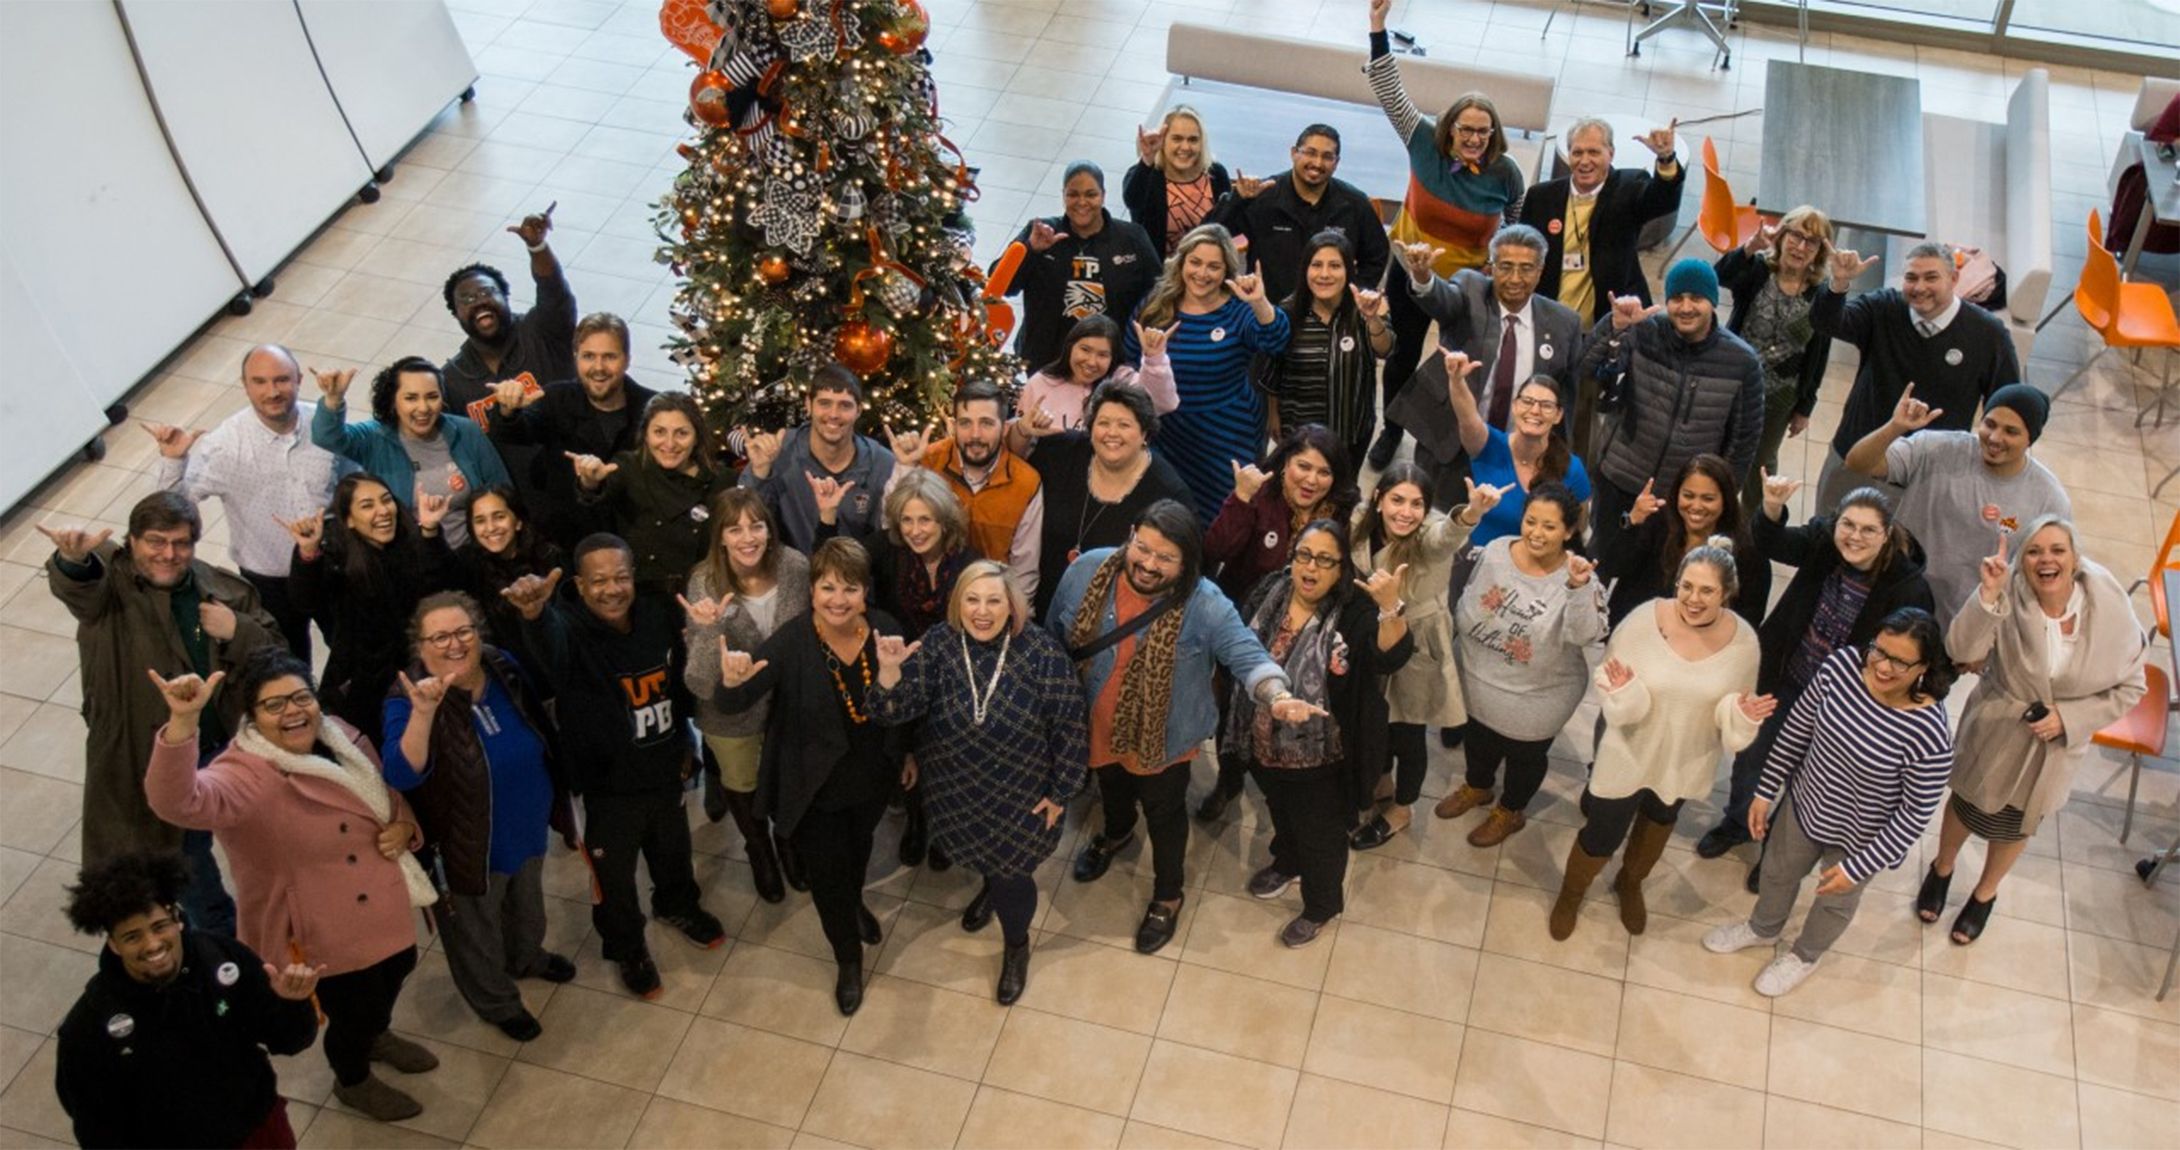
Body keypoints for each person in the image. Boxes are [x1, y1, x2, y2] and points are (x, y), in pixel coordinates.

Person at [144, 650, 440, 1122]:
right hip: (321, 923)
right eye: (274, 705)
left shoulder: (340, 734)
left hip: (383, 896)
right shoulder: (243, 774)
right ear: (252, 717)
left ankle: (377, 1033)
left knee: (399, 966)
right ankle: (354, 1078)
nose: (293, 711)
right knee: (354, 1009)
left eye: (301, 697)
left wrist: (403, 824)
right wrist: (183, 723)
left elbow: (384, 792)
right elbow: (177, 801)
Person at [1048, 500, 1315, 955]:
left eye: (1165, 557)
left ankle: (1168, 895)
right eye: (1143, 548)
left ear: (1187, 562)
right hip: (1091, 724)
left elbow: (1247, 655)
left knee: (1165, 815)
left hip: (1164, 740)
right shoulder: (1088, 570)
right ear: (1130, 535)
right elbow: (1053, 633)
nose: (1148, 564)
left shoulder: (1207, 604)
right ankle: (1116, 834)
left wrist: (1278, 696)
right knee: (1110, 787)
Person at [41, 493, 282, 935]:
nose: (168, 554)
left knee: (265, 845)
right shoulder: (110, 584)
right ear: (131, 541)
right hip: (152, 757)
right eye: (155, 541)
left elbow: (276, 658)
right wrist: (72, 559)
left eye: (181, 543)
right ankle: (220, 955)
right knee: (184, 870)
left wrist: (237, 630)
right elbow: (79, 587)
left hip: (224, 752)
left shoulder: (225, 591)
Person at [502, 535, 726, 1000]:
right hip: (604, 786)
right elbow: (550, 649)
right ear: (581, 586)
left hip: (662, 769)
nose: (612, 589)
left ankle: (677, 905)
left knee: (672, 849)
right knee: (615, 877)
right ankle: (627, 947)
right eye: (599, 581)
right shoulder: (566, 627)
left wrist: (685, 740)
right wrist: (534, 615)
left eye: (621, 577)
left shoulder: (656, 617)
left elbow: (678, 682)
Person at [1703, 610, 1956, 998]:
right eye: (1879, 651)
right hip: (1805, 805)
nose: (1883, 667)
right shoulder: (1839, 668)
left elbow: (1915, 814)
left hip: (1861, 836)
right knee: (1776, 872)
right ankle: (1762, 928)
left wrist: (1860, 866)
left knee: (1834, 902)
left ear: (1923, 667)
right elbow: (1796, 732)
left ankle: (1805, 955)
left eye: (1900, 662)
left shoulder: (1930, 732)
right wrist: (1765, 791)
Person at [869, 562, 1087, 1002]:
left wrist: (1061, 791)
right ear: (958, 603)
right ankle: (989, 887)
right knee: (987, 864)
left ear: (1012, 605)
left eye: (994, 600)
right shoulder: (939, 645)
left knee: (1013, 876)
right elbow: (892, 712)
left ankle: (1016, 946)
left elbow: (1071, 727)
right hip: (957, 792)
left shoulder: (1041, 653)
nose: (982, 611)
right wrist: (890, 672)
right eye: (972, 599)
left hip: (1022, 798)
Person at [1925, 519, 2148, 944]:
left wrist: (2070, 718)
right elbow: (1961, 651)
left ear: (2075, 558)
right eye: (2034, 551)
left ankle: (1984, 894)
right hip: (1997, 726)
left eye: (2058, 550)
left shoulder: (2108, 603)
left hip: (2056, 748)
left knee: (2019, 823)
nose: (2046, 559)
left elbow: (2133, 684)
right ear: (2022, 561)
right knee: (1967, 802)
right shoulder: (2007, 593)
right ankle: (1942, 868)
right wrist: (1987, 595)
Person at [1695, 482, 1937, 867]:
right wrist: (1772, 507)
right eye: (1848, 524)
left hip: (1843, 702)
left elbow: (1921, 649)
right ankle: (1738, 823)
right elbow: (1772, 542)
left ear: (1886, 533)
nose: (1854, 536)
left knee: (1805, 777)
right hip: (1788, 676)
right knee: (1752, 755)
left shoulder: (1907, 588)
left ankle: (1775, 849)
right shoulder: (1824, 542)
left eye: (1868, 529)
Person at [712, 538, 907, 1015]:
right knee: (825, 877)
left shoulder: (884, 629)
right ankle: (848, 959)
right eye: (828, 587)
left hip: (870, 778)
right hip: (813, 787)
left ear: (866, 593)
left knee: (858, 851)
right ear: (812, 591)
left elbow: (906, 706)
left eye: (850, 588)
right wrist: (731, 682)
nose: (838, 599)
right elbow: (735, 701)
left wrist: (904, 751)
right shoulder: (793, 640)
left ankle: (854, 902)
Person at [1552, 540, 1770, 940]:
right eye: (1687, 586)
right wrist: (1626, 692)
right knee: (1602, 832)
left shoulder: (1744, 643)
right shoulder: (1643, 620)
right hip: (1628, 752)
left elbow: (1729, 712)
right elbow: (1607, 679)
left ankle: (1630, 882)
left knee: (1659, 822)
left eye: (1707, 590)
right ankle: (1571, 892)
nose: (1693, 598)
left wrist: (1741, 715)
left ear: (1726, 593)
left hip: (1683, 759)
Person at [381, 593, 573, 1042]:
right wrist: (424, 714)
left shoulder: (501, 664)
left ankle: (526, 957)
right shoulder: (407, 696)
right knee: (474, 932)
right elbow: (400, 772)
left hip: (526, 824)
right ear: (420, 646)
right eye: (440, 637)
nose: (455, 644)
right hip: (467, 843)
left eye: (463, 631)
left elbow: (537, 717)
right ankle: (497, 1002)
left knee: (527, 906)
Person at [55, 851, 320, 1150]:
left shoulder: (223, 957)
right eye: (132, 937)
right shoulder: (90, 1026)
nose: (152, 944)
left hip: (256, 1128)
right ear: (113, 945)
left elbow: (289, 1041)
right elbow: (96, 1125)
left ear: (177, 918)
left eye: (159, 926)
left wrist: (292, 1003)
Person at [1363, 0, 1527, 469]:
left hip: (1467, 290)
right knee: (1402, 355)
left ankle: (1446, 440)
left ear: (1493, 134)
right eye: (1466, 129)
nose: (1474, 138)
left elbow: (1512, 227)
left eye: (1484, 131)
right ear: (1449, 128)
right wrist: (1378, 28)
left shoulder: (1506, 174)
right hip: (1412, 274)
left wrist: (1500, 275)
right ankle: (1390, 430)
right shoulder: (1422, 141)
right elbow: (1389, 89)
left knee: (1458, 367)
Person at [1234, 520, 1412, 946]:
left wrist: (1391, 608)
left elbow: (1390, 656)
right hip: (1264, 740)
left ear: (1341, 569)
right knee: (1281, 810)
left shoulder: (1355, 610)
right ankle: (1287, 861)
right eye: (1304, 556)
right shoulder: (1271, 590)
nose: (1311, 568)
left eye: (1325, 560)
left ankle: (1321, 904)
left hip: (1324, 755)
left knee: (1322, 834)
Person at [147, 342, 354, 660]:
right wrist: (174, 461)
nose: (272, 391)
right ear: (244, 385)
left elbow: (356, 483)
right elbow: (170, 511)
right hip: (271, 577)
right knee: (287, 662)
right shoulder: (225, 445)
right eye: (260, 382)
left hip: (333, 565)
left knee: (354, 649)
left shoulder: (323, 425)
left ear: (298, 379)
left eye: (282, 380)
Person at [1197, 424, 1361, 820]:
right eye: (1303, 466)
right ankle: (1230, 780)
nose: (1311, 480)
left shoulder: (1341, 512)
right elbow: (1216, 548)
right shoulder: (1260, 497)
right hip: (1245, 628)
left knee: (1293, 707)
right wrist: (1239, 498)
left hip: (1307, 632)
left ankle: (1283, 780)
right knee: (1237, 705)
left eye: (1324, 472)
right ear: (1284, 462)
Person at [1437, 482, 1607, 847]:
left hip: (1537, 697)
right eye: (1531, 521)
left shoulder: (1579, 576)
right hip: (1477, 680)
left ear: (1569, 531)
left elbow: (1585, 635)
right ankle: (1477, 786)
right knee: (1478, 742)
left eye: (1550, 526)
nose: (1537, 533)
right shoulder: (1497, 549)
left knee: (1524, 758)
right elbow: (1469, 597)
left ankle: (1510, 810)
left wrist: (1578, 589)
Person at [1810, 240, 2021, 512]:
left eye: (1931, 277)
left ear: (1954, 278)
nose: (1920, 288)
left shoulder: (1989, 336)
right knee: (1827, 535)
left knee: (1902, 551)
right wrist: (1838, 284)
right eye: (1911, 278)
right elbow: (1827, 322)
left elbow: (2007, 407)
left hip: (1926, 476)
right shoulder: (1884, 308)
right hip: (1854, 456)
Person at [1575, 259, 1765, 558]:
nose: (1686, 307)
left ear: (1713, 302)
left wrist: (1717, 498)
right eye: (1677, 298)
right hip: (1620, 479)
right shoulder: (1644, 330)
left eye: (1697, 299)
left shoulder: (1742, 362)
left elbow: (1743, 442)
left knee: (1652, 584)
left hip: (1682, 499)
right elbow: (1585, 368)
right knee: (1600, 564)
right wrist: (1614, 326)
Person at [1841, 382, 2071, 626]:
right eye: (1990, 424)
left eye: (2011, 432)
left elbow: (2052, 576)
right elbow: (1858, 463)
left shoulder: (2049, 499)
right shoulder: (1936, 448)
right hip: (1888, 600)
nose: (1995, 438)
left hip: (1960, 624)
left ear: (2030, 440)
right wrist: (1894, 428)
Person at [682, 489, 812, 902]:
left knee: (790, 784)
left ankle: (788, 843)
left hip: (791, 710)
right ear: (719, 537)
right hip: (732, 717)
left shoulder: (795, 567)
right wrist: (707, 630)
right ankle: (760, 851)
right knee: (743, 786)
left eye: (756, 525)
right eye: (734, 528)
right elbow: (701, 683)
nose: (747, 537)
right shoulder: (704, 581)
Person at [1350, 466, 1490, 848]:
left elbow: (1448, 537)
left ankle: (1402, 808)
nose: (1406, 512)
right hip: (1373, 633)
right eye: (1397, 500)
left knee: (1409, 731)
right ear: (1379, 499)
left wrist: (1471, 514)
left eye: (1417, 504)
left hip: (1418, 638)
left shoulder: (1430, 533)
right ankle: (1381, 783)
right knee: (1375, 719)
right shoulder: (1360, 521)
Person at [1125, 223, 1290, 521]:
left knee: (1221, 516)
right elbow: (1128, 358)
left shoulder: (1238, 310)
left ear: (1226, 269)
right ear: (1182, 261)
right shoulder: (1157, 304)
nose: (1202, 274)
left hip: (1227, 434)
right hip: (1167, 432)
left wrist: (1260, 302)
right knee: (1168, 515)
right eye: (1196, 262)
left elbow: (1276, 340)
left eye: (1213, 266)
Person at [1386, 227, 1586, 468]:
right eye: (1505, 266)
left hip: (1518, 453)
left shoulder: (1564, 322)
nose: (1514, 278)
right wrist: (1422, 276)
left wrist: (1558, 455)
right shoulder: (1471, 288)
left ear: (1540, 271)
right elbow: (1443, 300)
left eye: (1526, 268)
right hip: (1450, 441)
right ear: (1492, 267)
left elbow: (1566, 397)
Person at [287, 473, 457, 749]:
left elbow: (444, 587)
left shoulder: (414, 542)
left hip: (423, 674)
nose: (382, 511)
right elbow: (305, 600)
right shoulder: (338, 560)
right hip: (365, 689)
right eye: (367, 505)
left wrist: (430, 532)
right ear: (349, 520)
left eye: (386, 500)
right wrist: (308, 553)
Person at [484, 312, 657, 548]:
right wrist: (507, 410)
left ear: (627, 360)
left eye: (609, 357)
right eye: (588, 356)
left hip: (637, 539)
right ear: (575, 358)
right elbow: (515, 433)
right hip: (570, 540)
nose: (598, 367)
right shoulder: (556, 398)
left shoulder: (652, 408)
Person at [1028, 381, 1193, 620]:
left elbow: (1179, 573)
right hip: (1038, 606)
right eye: (1103, 423)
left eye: (1124, 425)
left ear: (1144, 433)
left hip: (1110, 623)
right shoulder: (1058, 453)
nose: (1112, 433)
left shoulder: (1168, 493)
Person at [309, 358, 512, 548]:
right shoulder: (375, 437)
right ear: (393, 402)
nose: (423, 408)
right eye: (411, 398)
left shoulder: (466, 431)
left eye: (432, 397)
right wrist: (334, 399)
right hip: (407, 562)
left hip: (473, 553)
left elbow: (503, 491)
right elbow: (327, 437)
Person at [1714, 208, 1835, 516]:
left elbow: (1818, 355)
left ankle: (1752, 527)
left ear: (1821, 252)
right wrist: (1750, 248)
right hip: (1733, 381)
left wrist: (1805, 407)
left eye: (1812, 242)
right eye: (1796, 235)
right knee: (1720, 446)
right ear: (1781, 236)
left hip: (1780, 394)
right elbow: (1720, 275)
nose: (1801, 247)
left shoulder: (1821, 295)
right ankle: (1715, 510)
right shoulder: (1757, 271)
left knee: (1762, 461)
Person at [1408, 351, 1590, 550]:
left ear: (1558, 415)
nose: (1535, 411)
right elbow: (1467, 415)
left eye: (1546, 406)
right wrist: (1457, 380)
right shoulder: (1487, 444)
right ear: (1514, 406)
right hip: (1478, 562)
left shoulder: (1573, 469)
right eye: (1527, 402)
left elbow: (1576, 526)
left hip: (1535, 569)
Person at [886, 380, 1046, 599]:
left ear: (1004, 427)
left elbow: (1024, 570)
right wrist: (905, 467)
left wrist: (1013, 616)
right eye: (965, 423)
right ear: (953, 426)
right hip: (922, 596)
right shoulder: (928, 460)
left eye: (987, 423)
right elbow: (890, 525)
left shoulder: (1025, 482)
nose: (975, 435)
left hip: (988, 603)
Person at [1520, 117, 1686, 325]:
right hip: (1550, 320)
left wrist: (1666, 158)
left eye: (1594, 152)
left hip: (1612, 319)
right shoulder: (1541, 197)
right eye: (1577, 152)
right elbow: (1523, 251)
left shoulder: (1629, 186)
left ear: (1611, 153)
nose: (1585, 161)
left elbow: (1663, 201)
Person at [570, 391, 734, 597]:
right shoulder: (628, 468)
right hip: (641, 600)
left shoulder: (722, 481)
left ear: (697, 437)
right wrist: (590, 481)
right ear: (645, 434)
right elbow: (596, 495)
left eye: (681, 433)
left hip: (703, 599)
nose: (670, 444)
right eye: (659, 432)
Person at [1203, 124, 1391, 304]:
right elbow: (1207, 236)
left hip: (1329, 316)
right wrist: (1238, 199)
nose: (1317, 163)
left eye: (1327, 156)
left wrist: (1351, 296)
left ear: (1336, 163)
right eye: (1310, 153)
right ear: (1294, 153)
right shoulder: (1263, 196)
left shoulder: (1355, 204)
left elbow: (1377, 256)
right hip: (1267, 311)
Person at [1004, 163, 1162, 372]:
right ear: (1063, 195)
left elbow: (1158, 295)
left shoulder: (1132, 237)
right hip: (1047, 362)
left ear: (1103, 196)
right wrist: (1031, 250)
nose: (1082, 202)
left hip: (1108, 365)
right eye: (1073, 195)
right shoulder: (1041, 232)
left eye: (1091, 194)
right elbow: (1003, 286)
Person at [1256, 232, 1394, 461]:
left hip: (1351, 430)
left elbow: (1385, 349)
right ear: (1305, 270)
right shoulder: (1288, 311)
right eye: (1317, 265)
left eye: (1335, 266)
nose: (1325, 275)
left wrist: (1372, 318)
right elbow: (1273, 368)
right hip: (1299, 431)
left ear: (1349, 269)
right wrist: (1272, 414)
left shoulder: (1365, 307)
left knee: (1343, 492)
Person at [1596, 453, 1769, 629]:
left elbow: (1748, 620)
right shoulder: (1657, 520)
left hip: (1704, 648)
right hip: (1640, 633)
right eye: (1688, 495)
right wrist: (1632, 521)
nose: (1696, 506)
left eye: (1708, 499)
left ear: (1726, 501)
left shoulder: (1747, 553)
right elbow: (1613, 566)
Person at [439, 205, 578, 419]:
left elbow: (553, 290)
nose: (478, 302)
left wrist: (537, 246)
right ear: (456, 314)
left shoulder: (542, 328)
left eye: (487, 292)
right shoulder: (451, 379)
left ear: (505, 297)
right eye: (466, 299)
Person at [740, 364, 896, 553]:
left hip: (857, 578)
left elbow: (891, 542)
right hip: (790, 575)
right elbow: (743, 524)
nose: (833, 415)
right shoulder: (778, 451)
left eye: (845, 405)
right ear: (808, 405)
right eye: (825, 403)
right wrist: (759, 472)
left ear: (859, 410)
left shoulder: (883, 463)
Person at [1009, 314, 1178, 458]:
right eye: (1085, 350)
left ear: (1113, 358)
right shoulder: (1040, 383)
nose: (1091, 362)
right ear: (1070, 347)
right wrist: (1023, 429)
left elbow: (1162, 403)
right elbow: (1015, 453)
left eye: (1103, 355)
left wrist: (1154, 359)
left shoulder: (1123, 383)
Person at [453, 486, 566, 695]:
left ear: (518, 521)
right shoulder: (468, 565)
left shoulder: (548, 557)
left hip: (559, 670)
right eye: (480, 521)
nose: (490, 527)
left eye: (499, 517)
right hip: (510, 681)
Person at [1123, 106, 1232, 258]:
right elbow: (1132, 201)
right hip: (1159, 274)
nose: (1185, 147)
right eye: (1177, 139)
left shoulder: (1215, 173)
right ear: (1163, 141)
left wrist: (1241, 198)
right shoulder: (1147, 174)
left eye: (1193, 139)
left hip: (1206, 271)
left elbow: (1228, 225)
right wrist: (1147, 159)